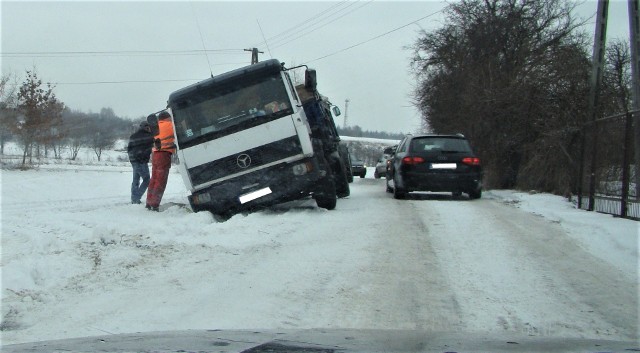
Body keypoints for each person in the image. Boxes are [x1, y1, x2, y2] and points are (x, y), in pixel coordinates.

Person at [146, 111, 176, 211]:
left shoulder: (156, 126)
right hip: (164, 154)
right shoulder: (171, 125)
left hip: (155, 154)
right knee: (161, 180)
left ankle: (149, 202)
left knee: (154, 179)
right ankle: (155, 204)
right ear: (167, 118)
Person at [127, 120, 154, 204]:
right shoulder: (149, 137)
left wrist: (133, 159)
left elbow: (129, 149)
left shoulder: (133, 136)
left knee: (136, 179)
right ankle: (136, 198)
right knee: (147, 180)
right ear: (146, 128)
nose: (149, 129)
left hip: (133, 160)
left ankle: (134, 198)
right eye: (148, 127)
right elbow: (152, 147)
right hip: (141, 161)